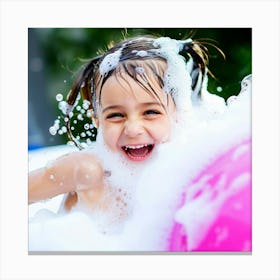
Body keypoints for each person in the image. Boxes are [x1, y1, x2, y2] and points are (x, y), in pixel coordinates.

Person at [28, 35, 225, 219]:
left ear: (179, 114)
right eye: (116, 115)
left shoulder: (190, 167)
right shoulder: (85, 170)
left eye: (150, 112)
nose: (132, 129)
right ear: (97, 120)